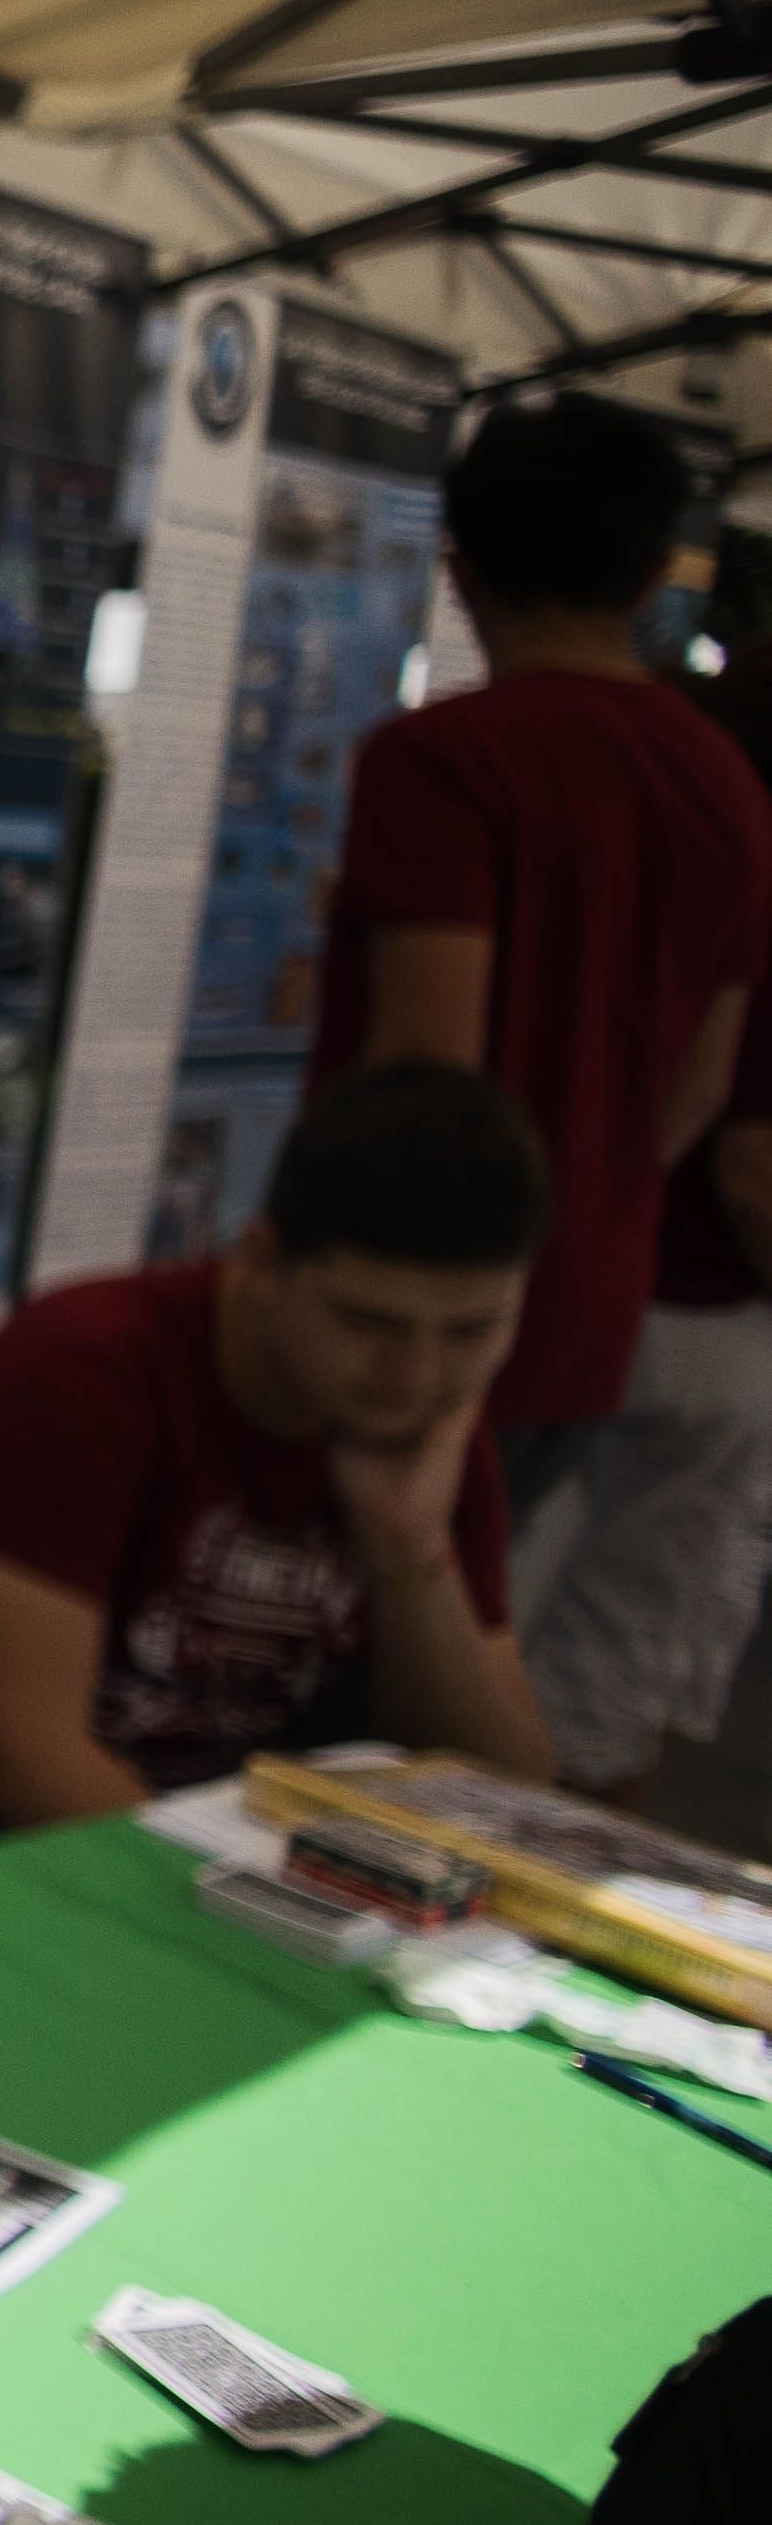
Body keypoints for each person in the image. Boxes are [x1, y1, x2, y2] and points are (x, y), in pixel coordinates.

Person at [0, 1060, 561, 1867]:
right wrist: (238, 1903)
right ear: (261, 1262)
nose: (416, 1374)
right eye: (367, 1321)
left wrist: (411, 1551)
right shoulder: (80, 1371)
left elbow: (505, 1789)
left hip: (209, 1791)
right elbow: (14, 1747)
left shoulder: (421, 1422)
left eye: (470, 1332)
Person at [312, 396, 762, 1494]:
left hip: (405, 1305)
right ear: (657, 572)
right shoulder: (725, 784)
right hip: (584, 1302)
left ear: (458, 568)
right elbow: (703, 1087)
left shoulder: (443, 760)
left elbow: (426, 1065)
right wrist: (584, 1197)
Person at [517, 662, 772, 1799]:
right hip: (688, 1306)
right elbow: (743, 1143)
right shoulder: (738, 858)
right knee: (613, 1670)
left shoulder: (659, 843)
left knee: (518, 1624)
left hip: (596, 1283)